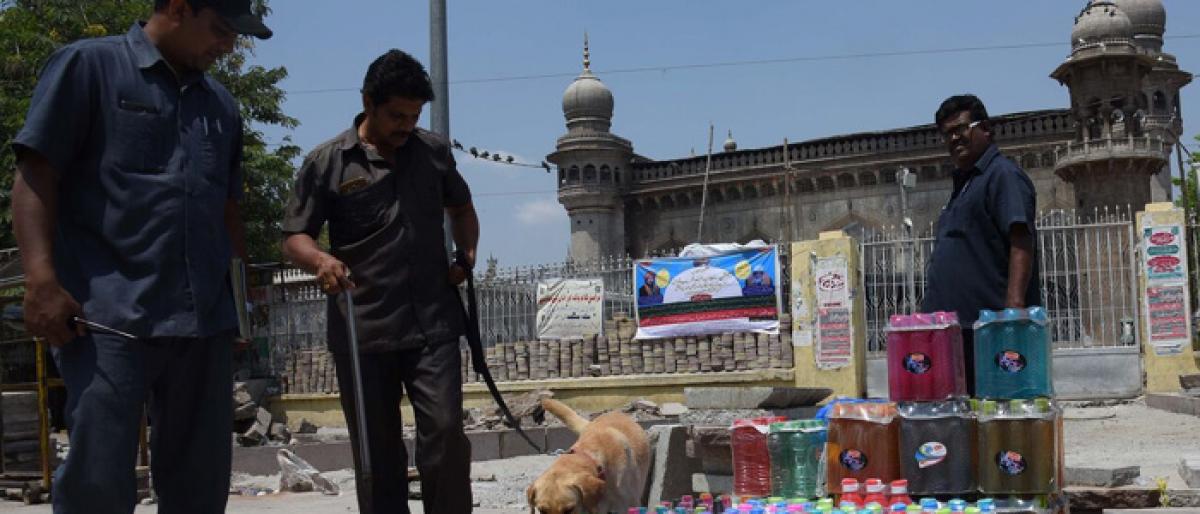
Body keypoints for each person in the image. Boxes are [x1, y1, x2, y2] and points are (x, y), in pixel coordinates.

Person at [10, 0, 271, 512]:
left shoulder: (220, 105)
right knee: (99, 483)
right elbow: (37, 174)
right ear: (177, 8)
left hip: (203, 326)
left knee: (199, 486)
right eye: (220, 29)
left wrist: (240, 309)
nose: (228, 45)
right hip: (107, 320)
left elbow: (227, 212)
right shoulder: (89, 67)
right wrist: (40, 280)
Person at [281, 49, 479, 514]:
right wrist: (320, 259)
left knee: (447, 434)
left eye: (414, 115)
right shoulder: (327, 162)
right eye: (396, 115)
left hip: (432, 324)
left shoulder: (432, 152)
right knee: (377, 453)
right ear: (368, 102)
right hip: (363, 329)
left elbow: (463, 209)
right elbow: (294, 237)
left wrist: (466, 254)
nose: (406, 125)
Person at [922, 94, 1040, 395]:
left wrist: (1013, 311)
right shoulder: (966, 184)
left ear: (985, 129)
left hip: (988, 332)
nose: (954, 139)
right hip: (955, 333)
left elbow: (1020, 238)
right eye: (947, 134)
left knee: (995, 416)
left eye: (961, 129)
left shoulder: (1002, 175)